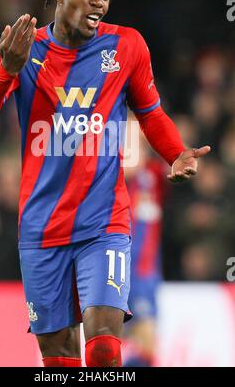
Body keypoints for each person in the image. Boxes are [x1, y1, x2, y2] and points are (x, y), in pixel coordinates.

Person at [0, 0, 210, 367]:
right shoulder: (22, 48)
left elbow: (151, 113)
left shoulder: (127, 47)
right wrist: (6, 69)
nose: (99, 1)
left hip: (104, 223)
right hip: (41, 229)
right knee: (59, 360)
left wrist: (175, 153)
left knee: (103, 349)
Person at [123, 132, 166, 367]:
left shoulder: (154, 174)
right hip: (115, 268)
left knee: (147, 339)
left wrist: (148, 131)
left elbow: (184, 156)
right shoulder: (111, 177)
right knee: (109, 339)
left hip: (145, 270)